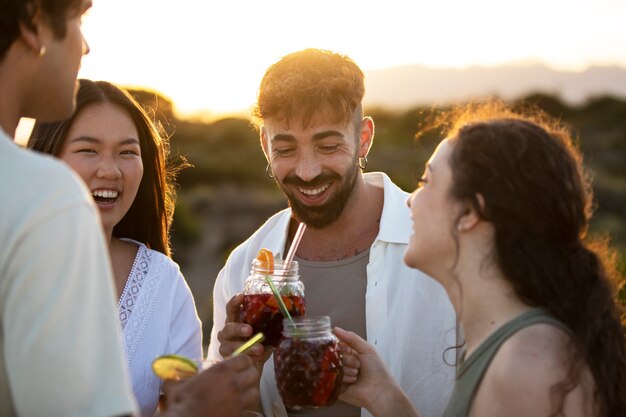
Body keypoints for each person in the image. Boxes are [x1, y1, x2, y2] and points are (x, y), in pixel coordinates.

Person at [0, 0, 258, 416]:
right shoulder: (44, 196)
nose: (84, 46)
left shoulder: (162, 280)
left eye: (127, 152)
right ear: (33, 23)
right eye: (78, 18)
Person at [207, 47, 457, 417]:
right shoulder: (245, 264)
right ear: (264, 145)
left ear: (364, 138)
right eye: (286, 149)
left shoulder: (447, 249)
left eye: (327, 146)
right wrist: (234, 378)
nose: (307, 172)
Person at [335, 103, 626, 417]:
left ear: (471, 212)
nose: (410, 199)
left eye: (426, 182)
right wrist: (383, 396)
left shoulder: (527, 365)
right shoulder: (508, 346)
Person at [28, 79, 203, 417]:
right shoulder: (11, 268)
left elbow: (190, 402)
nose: (110, 171)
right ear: (47, 158)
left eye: (127, 152)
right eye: (88, 150)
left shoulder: (162, 282)